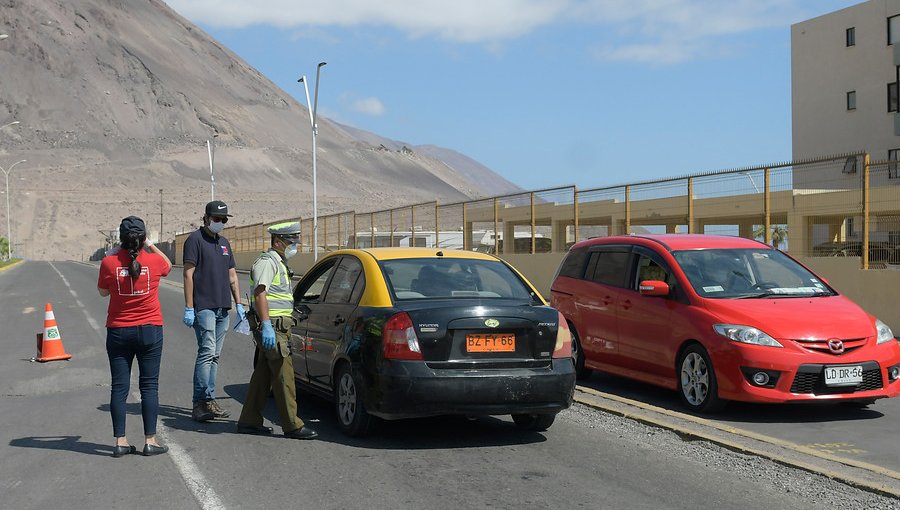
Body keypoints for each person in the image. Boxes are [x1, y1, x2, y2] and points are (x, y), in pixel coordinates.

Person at [98, 216, 172, 457]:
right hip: (150, 329)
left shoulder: (109, 262)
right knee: (149, 386)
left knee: (119, 387)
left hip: (119, 330)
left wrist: (118, 253)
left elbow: (102, 293)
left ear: (121, 238)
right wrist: (149, 244)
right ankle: (150, 440)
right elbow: (168, 264)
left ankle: (120, 441)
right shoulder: (153, 261)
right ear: (143, 237)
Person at [236, 221, 318, 440]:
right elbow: (260, 294)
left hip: (278, 326)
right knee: (284, 374)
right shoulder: (267, 262)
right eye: (292, 242)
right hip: (273, 327)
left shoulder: (279, 262)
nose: (295, 246)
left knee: (263, 374)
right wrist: (266, 326)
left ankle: (249, 420)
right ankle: (293, 425)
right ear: (279, 242)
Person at [182, 200, 246, 422]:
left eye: (224, 220)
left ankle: (209, 400)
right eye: (217, 219)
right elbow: (188, 274)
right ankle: (199, 403)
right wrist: (189, 307)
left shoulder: (225, 243)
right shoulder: (194, 240)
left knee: (215, 356)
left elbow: (232, 275)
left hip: (223, 308)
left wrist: (238, 304)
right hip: (204, 307)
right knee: (207, 352)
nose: (220, 223)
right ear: (206, 218)